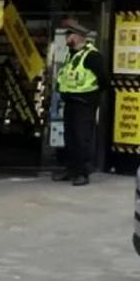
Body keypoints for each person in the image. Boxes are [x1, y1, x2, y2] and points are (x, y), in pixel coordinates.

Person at [54, 19, 108, 186]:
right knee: (70, 138)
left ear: (77, 36)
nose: (66, 38)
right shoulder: (72, 55)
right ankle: (71, 170)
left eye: (68, 35)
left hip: (84, 104)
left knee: (82, 138)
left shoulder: (92, 56)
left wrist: (91, 98)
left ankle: (83, 173)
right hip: (70, 102)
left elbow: (104, 81)